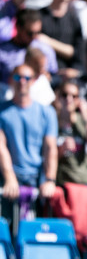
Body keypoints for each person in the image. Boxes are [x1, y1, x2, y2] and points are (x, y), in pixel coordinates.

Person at [0, 65, 58, 224]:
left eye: (27, 78)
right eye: (18, 77)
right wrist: (9, 177)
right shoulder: (2, 111)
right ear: (11, 80)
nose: (22, 82)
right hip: (10, 179)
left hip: (37, 180)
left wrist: (50, 180)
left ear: (33, 81)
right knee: (7, 228)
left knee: (35, 231)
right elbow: (1, 147)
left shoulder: (47, 112)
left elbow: (50, 148)